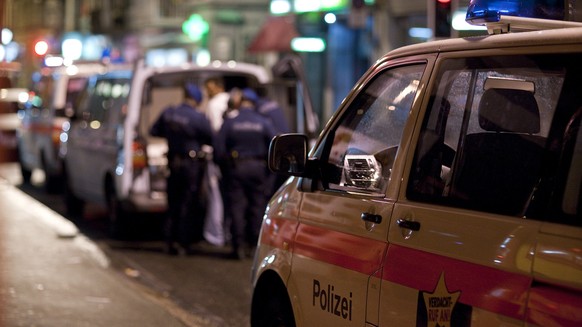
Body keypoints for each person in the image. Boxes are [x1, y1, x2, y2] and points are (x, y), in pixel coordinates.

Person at [150, 83, 213, 255]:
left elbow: (154, 131)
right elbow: (211, 137)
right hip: (191, 165)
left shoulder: (169, 113)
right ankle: (183, 243)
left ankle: (169, 241)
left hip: (173, 163)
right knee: (188, 203)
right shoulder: (197, 117)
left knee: (172, 202)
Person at [214, 88, 277, 259]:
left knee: (237, 207)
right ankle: (254, 246)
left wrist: (226, 169)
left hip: (236, 168)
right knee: (257, 207)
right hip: (258, 169)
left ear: (241, 102)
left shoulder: (230, 122)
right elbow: (275, 146)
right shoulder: (264, 122)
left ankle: (238, 246)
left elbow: (218, 150)